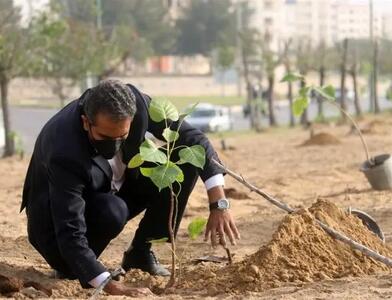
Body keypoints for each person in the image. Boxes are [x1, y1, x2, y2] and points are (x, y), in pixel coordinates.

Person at [21, 80, 240, 297]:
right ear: (86, 122)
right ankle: (72, 269)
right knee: (112, 211)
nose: (115, 144)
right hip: (56, 230)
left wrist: (218, 202)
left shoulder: (137, 105)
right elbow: (69, 232)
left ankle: (140, 254)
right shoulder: (64, 149)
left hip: (112, 187)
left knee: (184, 164)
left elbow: (195, 139)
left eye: (122, 137)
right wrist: (110, 285)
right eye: (105, 137)